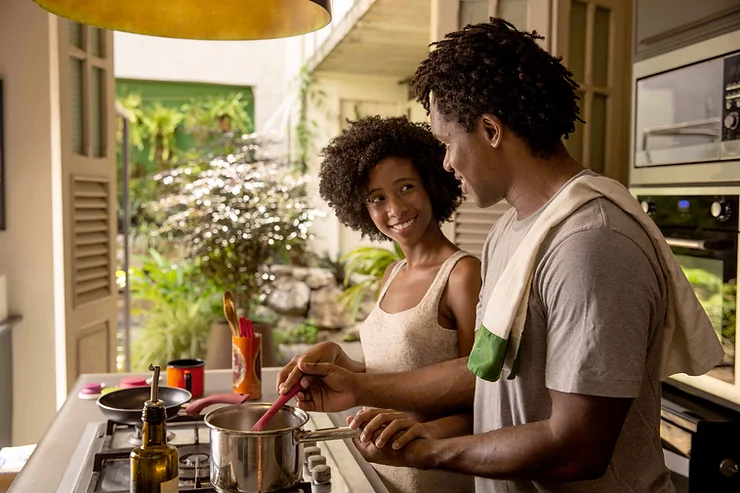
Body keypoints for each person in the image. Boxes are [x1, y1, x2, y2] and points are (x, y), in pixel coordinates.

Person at [277, 18, 723, 493]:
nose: (445, 162)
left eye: (447, 142)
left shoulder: (591, 243)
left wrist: (429, 452)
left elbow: (577, 447)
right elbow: (486, 370)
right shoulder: (510, 230)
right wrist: (362, 387)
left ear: (490, 129)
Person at [279, 115, 481, 493]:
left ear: (432, 184)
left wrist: (426, 433)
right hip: (379, 470)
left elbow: (483, 391)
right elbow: (392, 374)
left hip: (434, 473)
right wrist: (342, 362)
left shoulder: (462, 274)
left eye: (406, 187)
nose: (395, 208)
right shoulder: (391, 274)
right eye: (377, 198)